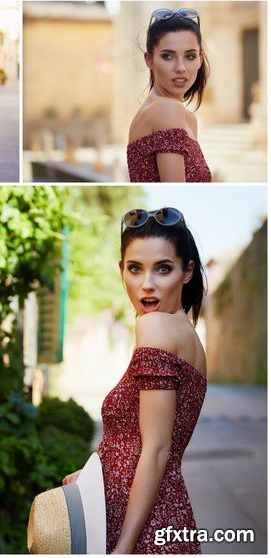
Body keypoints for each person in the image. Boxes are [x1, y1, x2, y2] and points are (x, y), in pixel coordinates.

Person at [63, 207, 207, 554]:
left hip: (141, 526)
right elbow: (137, 442)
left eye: (163, 268)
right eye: (134, 268)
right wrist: (93, 478)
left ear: (187, 272)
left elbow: (157, 450)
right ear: (121, 270)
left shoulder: (155, 326)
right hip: (153, 514)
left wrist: (124, 547)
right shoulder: (188, 336)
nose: (147, 285)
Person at [128, 10, 212, 183]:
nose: (181, 67)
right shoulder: (167, 109)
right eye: (168, 56)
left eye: (190, 56)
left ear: (200, 59)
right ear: (149, 60)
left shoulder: (188, 118)